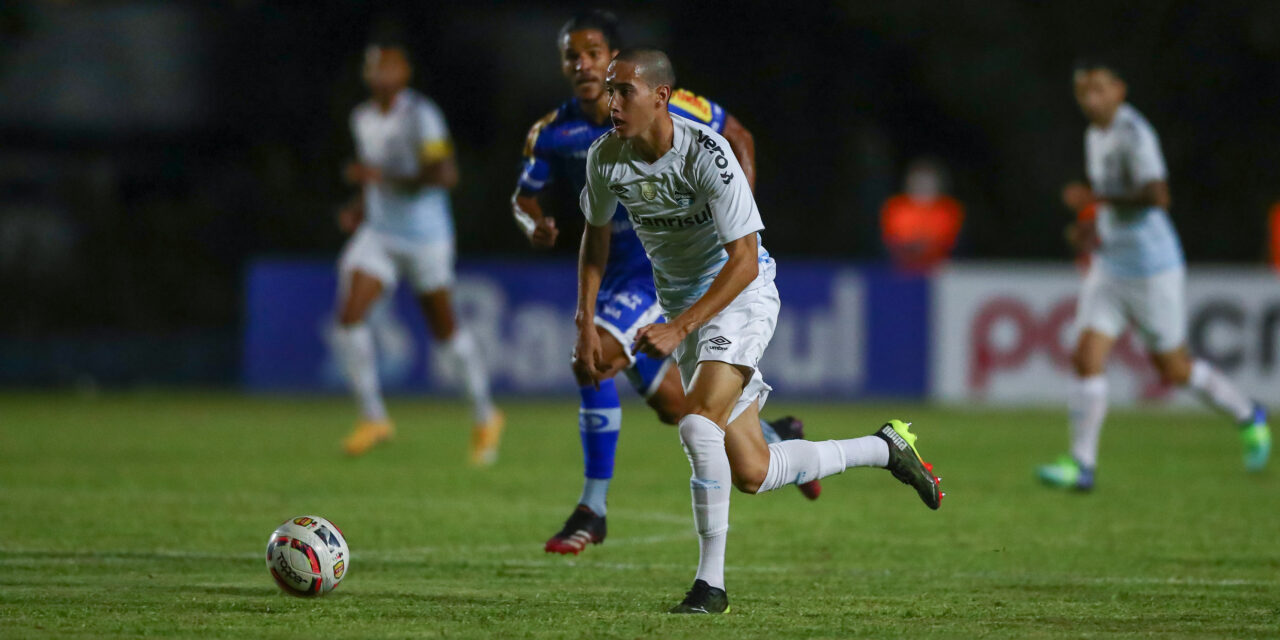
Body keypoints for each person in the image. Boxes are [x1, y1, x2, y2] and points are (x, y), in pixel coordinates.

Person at [577, 48, 943, 613]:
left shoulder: (707, 154)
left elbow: (745, 259)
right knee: (752, 470)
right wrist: (585, 320)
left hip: (739, 296)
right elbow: (594, 238)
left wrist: (678, 328)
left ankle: (710, 586)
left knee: (698, 426)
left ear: (660, 97)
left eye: (624, 90)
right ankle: (884, 448)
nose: (611, 101)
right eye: (608, 89)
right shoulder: (605, 158)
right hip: (686, 308)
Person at [513, 11, 820, 556]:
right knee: (685, 413)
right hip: (637, 271)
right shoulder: (556, 134)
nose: (583, 64)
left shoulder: (668, 105)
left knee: (597, 356)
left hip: (677, 269)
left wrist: (732, 211)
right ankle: (777, 438)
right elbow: (527, 199)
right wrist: (532, 222)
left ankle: (594, 506)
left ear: (615, 58)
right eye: (571, 56)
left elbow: (738, 133)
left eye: (593, 52)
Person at [1037, 59, 1271, 490]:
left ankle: (1248, 412)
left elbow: (1157, 195)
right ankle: (1081, 466)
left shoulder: (1135, 135)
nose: (1092, 99)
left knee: (1174, 369)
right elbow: (1113, 203)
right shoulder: (1095, 134)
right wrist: (1090, 227)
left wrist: (1095, 198)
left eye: (1100, 90)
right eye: (1085, 92)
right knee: (1085, 355)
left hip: (1151, 269)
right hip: (1110, 265)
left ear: (1120, 91)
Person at [335, 44, 504, 464]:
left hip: (426, 237)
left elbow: (445, 174)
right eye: (372, 67)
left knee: (446, 335)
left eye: (387, 68)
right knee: (350, 315)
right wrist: (359, 205)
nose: (379, 75)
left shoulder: (421, 116)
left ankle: (486, 415)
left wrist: (382, 178)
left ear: (404, 74)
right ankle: (373, 417)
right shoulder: (362, 118)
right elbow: (373, 174)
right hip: (380, 234)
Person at [879, 157, 964, 272]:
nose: (923, 186)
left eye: (928, 182)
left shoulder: (949, 210)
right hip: (900, 269)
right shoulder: (895, 207)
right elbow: (892, 239)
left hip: (939, 269)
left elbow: (947, 240)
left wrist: (925, 246)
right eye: (918, 181)